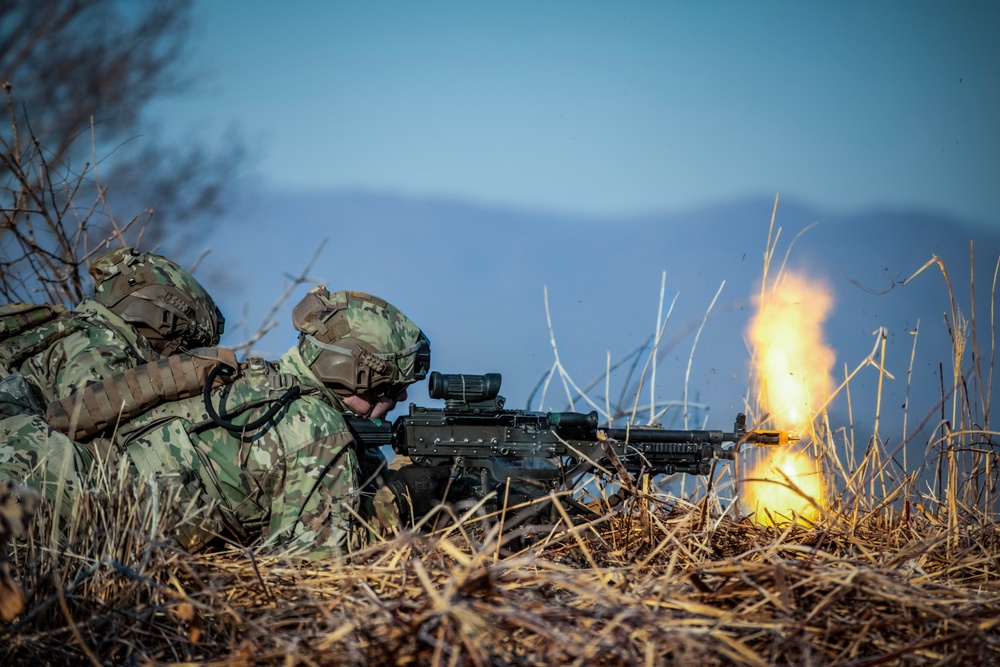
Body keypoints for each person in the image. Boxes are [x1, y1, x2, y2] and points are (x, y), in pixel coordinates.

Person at [50, 287, 430, 557]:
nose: (401, 399)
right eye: (393, 387)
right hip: (55, 516)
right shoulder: (315, 427)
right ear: (357, 374)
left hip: (53, 474)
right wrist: (399, 503)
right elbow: (311, 566)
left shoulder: (263, 383)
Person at [0, 246, 224, 510]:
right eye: (184, 341)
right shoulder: (98, 342)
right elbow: (89, 415)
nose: (177, 351)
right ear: (163, 317)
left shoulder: (80, 331)